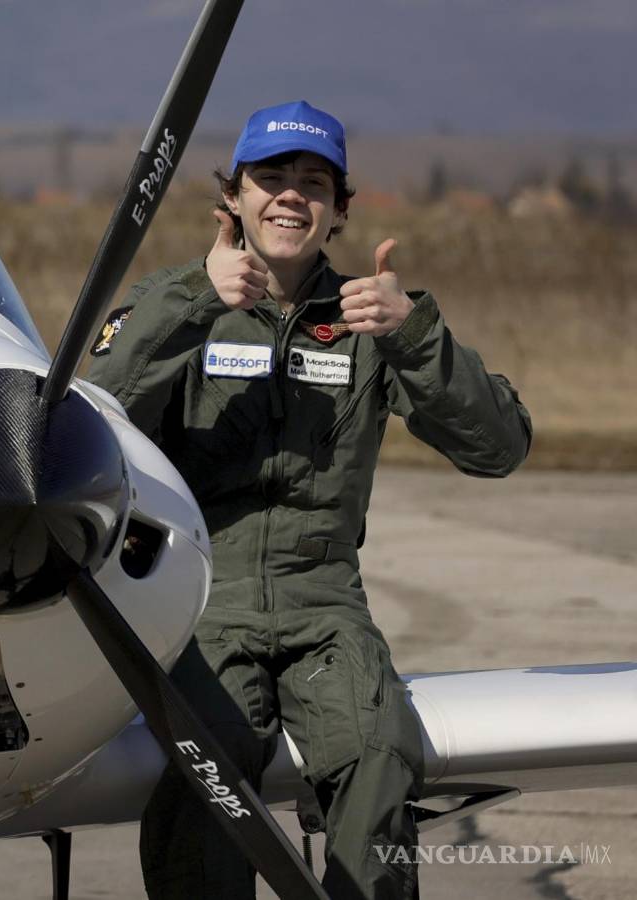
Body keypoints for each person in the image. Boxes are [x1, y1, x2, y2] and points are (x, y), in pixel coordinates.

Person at [86, 100, 532, 898]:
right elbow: (89, 423)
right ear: (235, 199)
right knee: (207, 775)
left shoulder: (374, 321)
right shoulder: (177, 303)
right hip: (199, 605)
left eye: (313, 181)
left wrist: (414, 336)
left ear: (338, 210)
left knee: (378, 754)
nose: (292, 195)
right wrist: (194, 297)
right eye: (272, 177)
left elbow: (500, 447)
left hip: (327, 606)